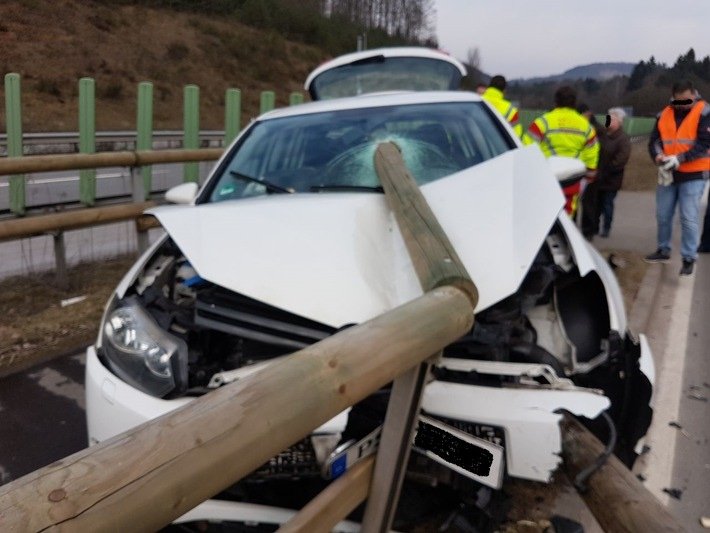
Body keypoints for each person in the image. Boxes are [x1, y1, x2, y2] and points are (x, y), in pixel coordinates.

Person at [644, 80, 710, 276]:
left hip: (695, 173)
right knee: (663, 215)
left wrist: (679, 158)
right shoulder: (663, 114)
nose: (683, 104)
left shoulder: (705, 112)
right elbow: (654, 141)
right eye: (679, 101)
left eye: (687, 100)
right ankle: (663, 249)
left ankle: (689, 257)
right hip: (668, 173)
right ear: (673, 98)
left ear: (694, 95)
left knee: (688, 217)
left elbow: (705, 143)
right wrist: (658, 156)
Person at [525, 86, 600, 217]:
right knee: (567, 217)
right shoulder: (587, 127)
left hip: (546, 178)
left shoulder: (542, 122)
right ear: (574, 103)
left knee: (544, 215)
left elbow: (526, 149)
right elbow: (592, 154)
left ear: (556, 102)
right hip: (573, 180)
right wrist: (589, 177)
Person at [596, 107, 631, 238]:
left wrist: (605, 169)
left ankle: (606, 228)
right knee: (597, 203)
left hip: (612, 179)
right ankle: (594, 226)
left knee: (607, 204)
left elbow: (621, 159)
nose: (608, 121)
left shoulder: (623, 139)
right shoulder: (603, 135)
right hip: (599, 177)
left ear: (619, 122)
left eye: (611, 118)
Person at [576, 102, 606, 240]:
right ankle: (587, 233)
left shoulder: (592, 130)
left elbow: (600, 152)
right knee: (589, 203)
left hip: (589, 170)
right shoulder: (598, 128)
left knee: (584, 203)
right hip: (593, 170)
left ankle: (585, 232)